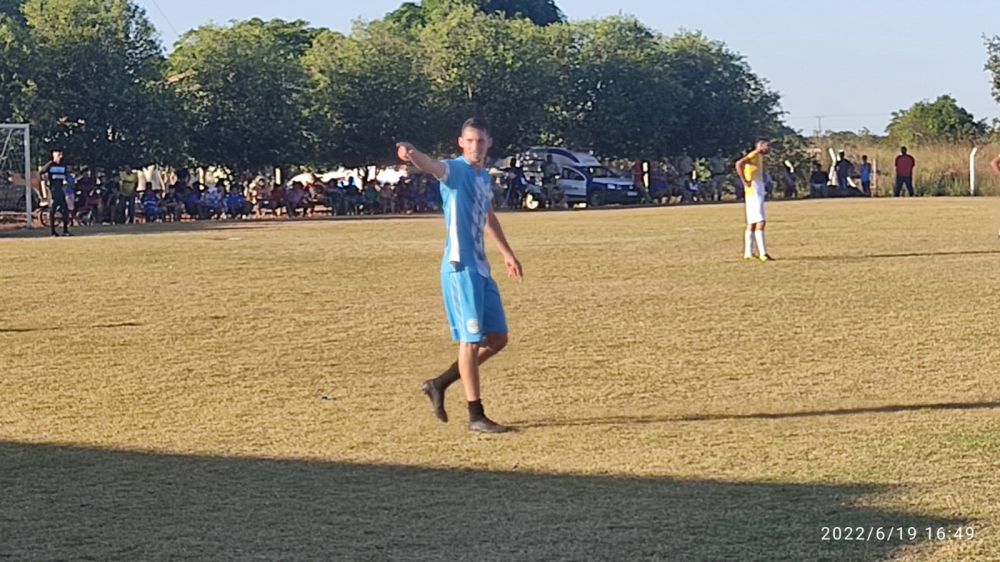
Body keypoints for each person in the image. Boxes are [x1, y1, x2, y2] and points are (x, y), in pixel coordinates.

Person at [397, 117, 524, 434]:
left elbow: (488, 216)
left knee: (497, 339)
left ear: (488, 143)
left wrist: (507, 254)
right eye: (470, 141)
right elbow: (430, 165)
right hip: (460, 267)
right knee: (470, 341)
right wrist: (411, 152)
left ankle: (439, 383)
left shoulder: (482, 178)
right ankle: (476, 416)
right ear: (461, 143)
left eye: (481, 141)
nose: (476, 147)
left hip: (481, 268)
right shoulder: (455, 171)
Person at [735, 139, 773, 262]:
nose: (768, 148)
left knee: (752, 223)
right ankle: (763, 253)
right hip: (754, 191)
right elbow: (739, 164)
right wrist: (744, 181)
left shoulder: (760, 157)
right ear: (760, 146)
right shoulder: (754, 155)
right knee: (761, 221)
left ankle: (748, 252)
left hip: (755, 190)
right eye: (766, 145)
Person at [40, 150, 72, 236]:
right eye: (58, 156)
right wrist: (45, 181)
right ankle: (52, 232)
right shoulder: (50, 165)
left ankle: (65, 230)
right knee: (52, 211)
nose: (60, 157)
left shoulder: (63, 166)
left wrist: (66, 182)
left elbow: (65, 175)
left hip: (61, 190)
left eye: (61, 155)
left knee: (65, 210)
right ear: (54, 157)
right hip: (53, 191)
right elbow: (41, 173)